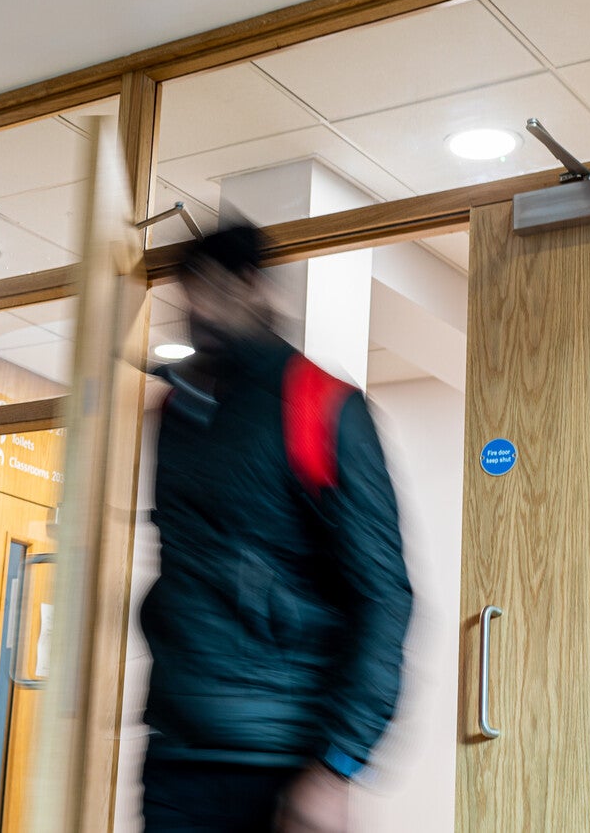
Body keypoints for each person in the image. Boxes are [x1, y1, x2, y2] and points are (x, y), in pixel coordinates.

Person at [140, 224, 413, 833]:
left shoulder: (322, 404)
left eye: (211, 290)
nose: (196, 310)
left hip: (280, 762)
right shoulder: (175, 412)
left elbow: (383, 596)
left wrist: (336, 764)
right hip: (176, 752)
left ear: (253, 287)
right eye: (187, 293)